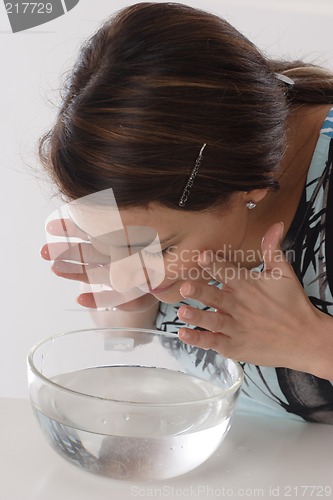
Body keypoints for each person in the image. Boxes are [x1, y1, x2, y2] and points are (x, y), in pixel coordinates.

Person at [40, 2, 333, 423]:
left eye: (162, 248)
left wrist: (313, 345)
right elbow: (124, 337)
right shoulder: (145, 193)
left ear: (251, 181)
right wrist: (122, 297)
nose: (133, 271)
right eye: (116, 244)